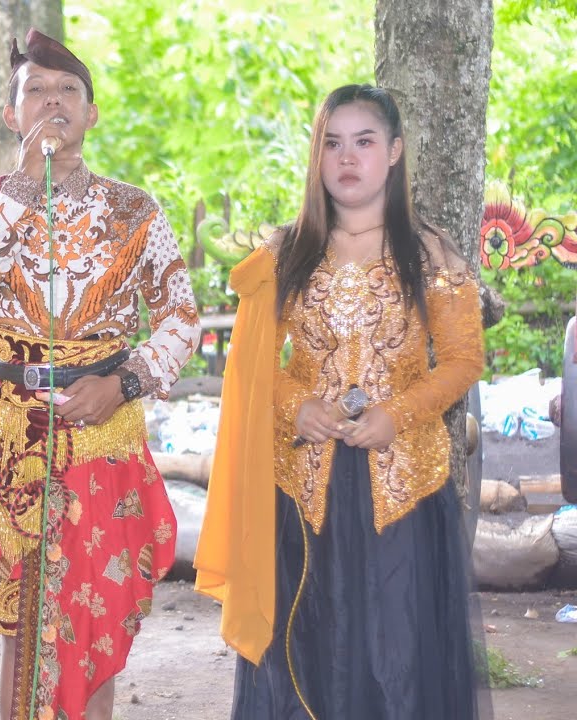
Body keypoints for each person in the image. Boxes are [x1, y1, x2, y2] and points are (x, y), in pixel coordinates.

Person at [194, 84, 488, 719]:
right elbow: (250, 366)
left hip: (405, 486)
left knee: (401, 655)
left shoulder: (432, 254)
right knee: (306, 649)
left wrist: (398, 414)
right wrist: (296, 403)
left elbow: (466, 359)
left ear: (395, 153)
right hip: (301, 488)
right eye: (332, 143)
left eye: (364, 142)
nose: (347, 158)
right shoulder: (285, 254)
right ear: (316, 155)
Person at [0, 28, 200, 720]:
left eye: (68, 92)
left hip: (104, 429)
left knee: (94, 614)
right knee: (21, 623)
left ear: (92, 112)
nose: (52, 103)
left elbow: (181, 318)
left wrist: (123, 383)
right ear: (10, 114)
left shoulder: (134, 209)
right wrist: (23, 185)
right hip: (8, 435)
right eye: (36, 91)